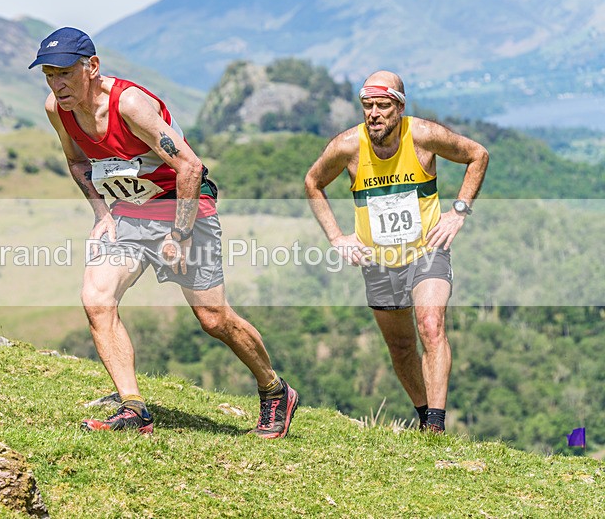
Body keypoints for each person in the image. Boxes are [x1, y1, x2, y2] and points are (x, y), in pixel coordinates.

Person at [29, 27, 298, 437]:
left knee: (212, 318)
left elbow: (190, 167)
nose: (57, 83)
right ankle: (134, 408)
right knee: (96, 298)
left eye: (65, 72)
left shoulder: (130, 104)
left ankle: (274, 389)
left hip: (185, 206)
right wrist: (101, 214)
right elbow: (78, 161)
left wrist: (180, 236)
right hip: (130, 211)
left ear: (92, 66)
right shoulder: (57, 109)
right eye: (49, 74)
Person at [304, 71, 489, 433]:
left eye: (383, 106)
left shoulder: (422, 135)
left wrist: (458, 212)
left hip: (426, 251)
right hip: (377, 261)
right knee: (402, 347)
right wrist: (337, 237)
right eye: (367, 106)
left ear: (399, 108)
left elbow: (477, 155)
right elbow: (312, 182)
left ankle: (435, 426)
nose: (374, 113)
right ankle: (423, 417)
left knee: (431, 326)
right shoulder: (347, 146)